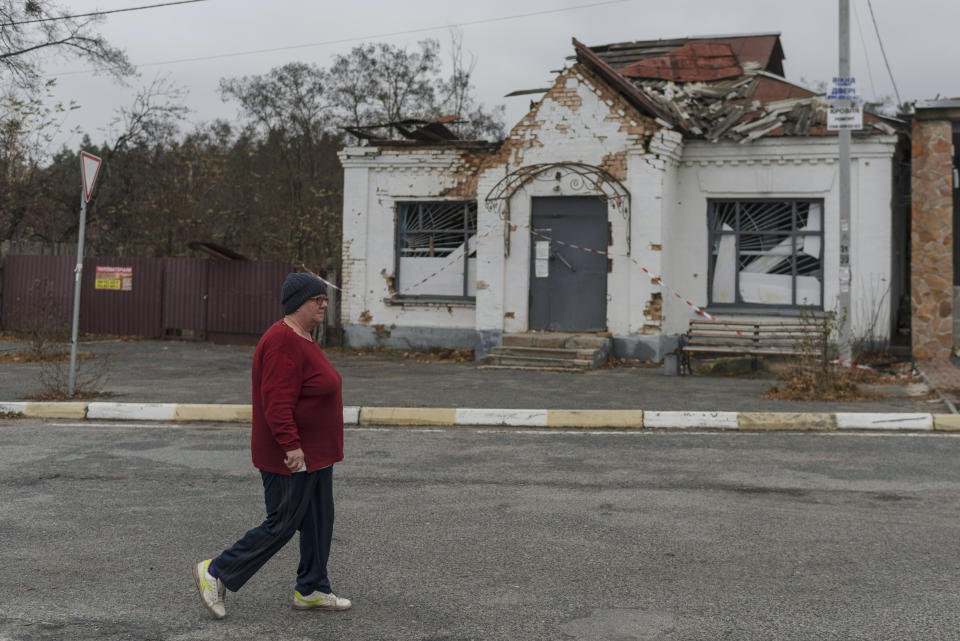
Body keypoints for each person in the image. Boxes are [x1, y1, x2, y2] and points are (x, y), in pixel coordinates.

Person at [193, 272, 350, 619]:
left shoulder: (304, 336)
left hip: (318, 454)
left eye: (324, 298)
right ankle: (216, 571)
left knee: (319, 521)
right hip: (293, 455)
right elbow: (276, 402)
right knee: (282, 522)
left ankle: (312, 588)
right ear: (298, 303)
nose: (324, 303)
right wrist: (291, 445)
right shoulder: (281, 341)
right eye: (316, 299)